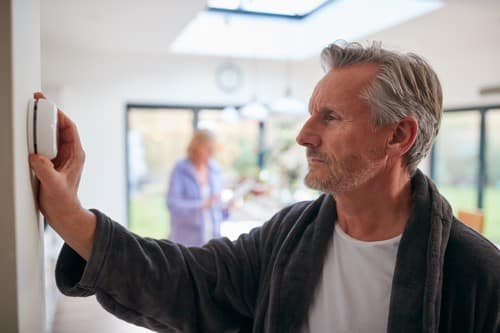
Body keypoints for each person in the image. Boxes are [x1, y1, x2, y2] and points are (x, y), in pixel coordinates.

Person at [29, 41, 499, 333]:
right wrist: (71, 216)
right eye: (312, 113)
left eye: (330, 117)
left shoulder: (479, 274)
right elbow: (191, 281)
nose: (303, 135)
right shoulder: (288, 235)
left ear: (398, 135)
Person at [167, 129, 225, 246]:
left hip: (212, 240)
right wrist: (201, 205)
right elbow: (173, 205)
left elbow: (216, 209)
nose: (211, 153)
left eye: (213, 149)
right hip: (186, 242)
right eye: (207, 148)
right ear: (196, 147)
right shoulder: (180, 169)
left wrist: (227, 207)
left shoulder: (215, 170)